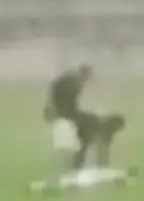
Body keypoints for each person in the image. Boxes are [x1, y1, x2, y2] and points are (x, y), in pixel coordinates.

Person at [35, 65, 133, 193]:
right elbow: (68, 105)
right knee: (86, 136)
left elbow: (59, 95)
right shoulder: (74, 83)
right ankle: (79, 165)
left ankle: (78, 165)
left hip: (64, 112)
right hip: (65, 113)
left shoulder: (71, 79)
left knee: (86, 135)